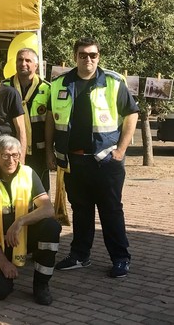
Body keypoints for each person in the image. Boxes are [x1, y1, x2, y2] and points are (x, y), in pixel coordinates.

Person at [45, 37, 139, 278]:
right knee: (81, 210)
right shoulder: (59, 83)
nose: (88, 59)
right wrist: (49, 151)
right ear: (75, 56)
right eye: (83, 55)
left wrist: (121, 150)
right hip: (74, 161)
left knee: (111, 211)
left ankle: (120, 258)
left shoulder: (113, 81)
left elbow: (131, 114)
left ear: (99, 57)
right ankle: (79, 255)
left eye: (92, 55)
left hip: (106, 161)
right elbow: (50, 119)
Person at [0, 135, 61, 305]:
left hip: (23, 237)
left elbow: (48, 209)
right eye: (5, 155)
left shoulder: (29, 173)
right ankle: (3, 275)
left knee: (51, 227)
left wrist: (20, 221)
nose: (11, 160)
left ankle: (41, 285)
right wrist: (3, 262)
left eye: (15, 155)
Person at [3, 48, 51, 192]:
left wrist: (49, 151)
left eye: (28, 60)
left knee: (39, 191)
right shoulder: (3, 87)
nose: (23, 63)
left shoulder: (48, 89)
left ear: (36, 66)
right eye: (20, 60)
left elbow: (51, 123)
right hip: (10, 151)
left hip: (39, 152)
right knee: (13, 190)